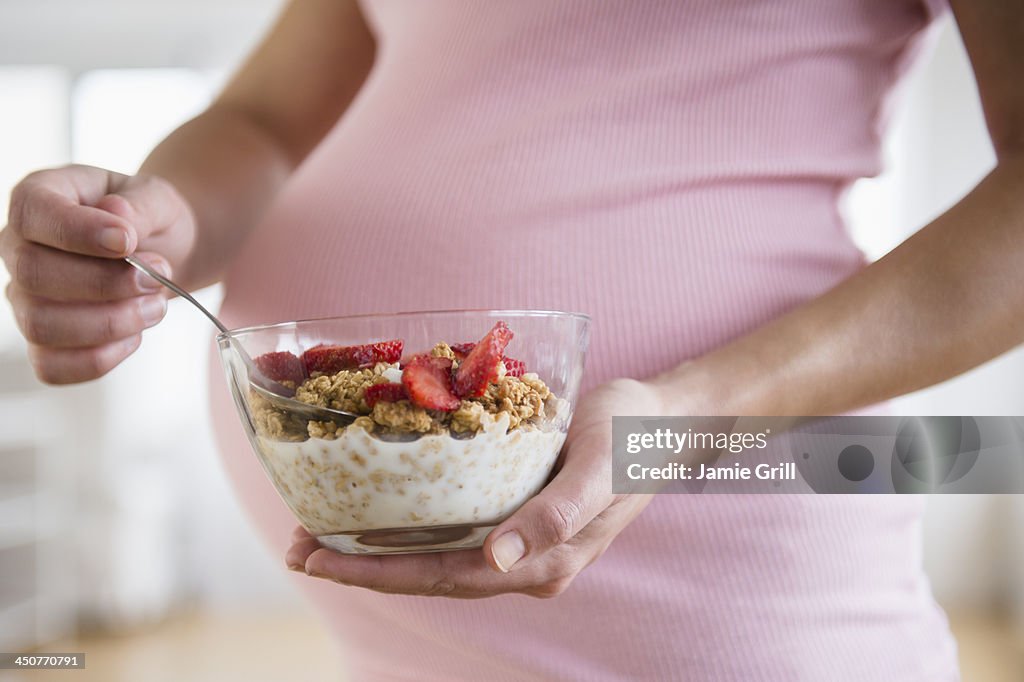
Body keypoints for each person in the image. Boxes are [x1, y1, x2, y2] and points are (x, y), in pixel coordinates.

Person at [2, 0, 1021, 678]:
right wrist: (154, 220)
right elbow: (266, 118)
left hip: (721, 562)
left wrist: (678, 419)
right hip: (396, 625)